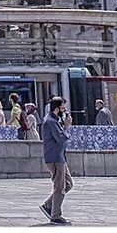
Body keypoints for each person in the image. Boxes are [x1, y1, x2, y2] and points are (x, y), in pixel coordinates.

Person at [40, 95, 72, 225]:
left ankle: (49, 205)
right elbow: (60, 138)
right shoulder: (51, 122)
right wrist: (67, 127)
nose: (65, 110)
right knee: (59, 187)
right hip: (55, 157)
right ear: (57, 108)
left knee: (68, 183)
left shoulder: (54, 120)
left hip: (59, 156)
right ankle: (55, 215)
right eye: (63, 107)